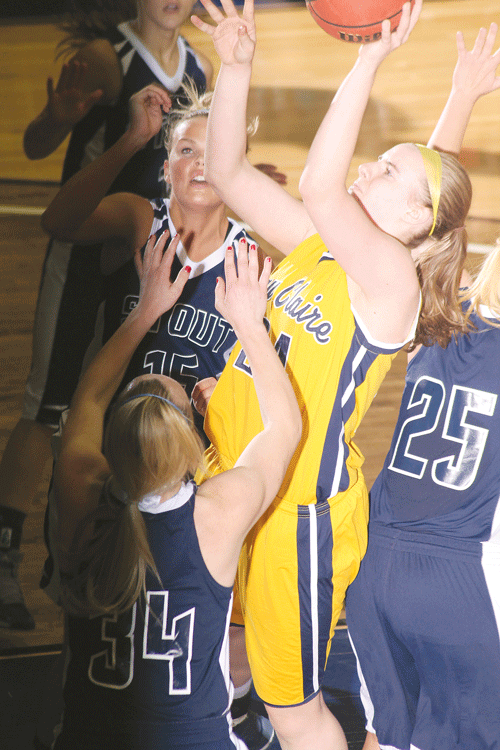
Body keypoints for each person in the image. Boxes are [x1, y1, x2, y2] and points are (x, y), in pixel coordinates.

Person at [189, 0, 475, 747]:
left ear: (416, 229)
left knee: (297, 710)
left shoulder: (388, 283)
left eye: (385, 172)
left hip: (296, 512)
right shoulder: (324, 245)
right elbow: (225, 172)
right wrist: (236, 67)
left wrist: (368, 59)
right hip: (234, 471)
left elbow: (331, 186)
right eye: (377, 160)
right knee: (224, 647)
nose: (364, 167)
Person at [39, 81, 275, 749]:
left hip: (198, 482)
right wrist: (131, 140)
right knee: (92, 613)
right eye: (184, 149)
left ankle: (217, 713)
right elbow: (58, 221)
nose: (200, 162)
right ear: (166, 165)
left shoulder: (255, 259)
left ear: (240, 161)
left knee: (218, 628)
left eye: (216, 149)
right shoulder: (144, 223)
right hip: (115, 471)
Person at [0, 0, 211, 631]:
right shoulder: (105, 58)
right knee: (54, 403)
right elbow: (39, 146)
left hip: (145, 254)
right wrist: (55, 118)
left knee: (115, 399)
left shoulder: (201, 66)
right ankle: (8, 553)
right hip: (91, 252)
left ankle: (115, 543)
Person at [50, 231, 302, 750]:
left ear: (114, 439)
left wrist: (143, 314)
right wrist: (250, 328)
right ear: (193, 445)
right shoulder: (216, 513)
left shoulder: (80, 486)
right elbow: (285, 429)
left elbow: (88, 398)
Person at [344, 23, 500, 750]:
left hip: (373, 563)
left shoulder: (435, 314)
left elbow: (429, 205)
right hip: (460, 581)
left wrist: (462, 94)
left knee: (387, 735)